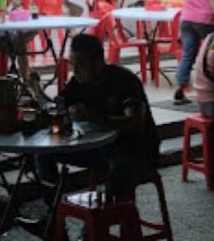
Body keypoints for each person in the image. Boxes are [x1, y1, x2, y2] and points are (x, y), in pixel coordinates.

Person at [35, 34, 159, 206]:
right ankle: (53, 218)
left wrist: (94, 117)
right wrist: (41, 95)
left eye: (81, 65)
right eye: (73, 65)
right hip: (101, 149)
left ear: (98, 63)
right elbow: (58, 105)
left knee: (119, 169)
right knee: (43, 153)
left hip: (136, 150)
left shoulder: (124, 81)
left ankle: (99, 228)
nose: (75, 70)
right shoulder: (78, 82)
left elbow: (134, 123)